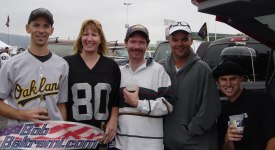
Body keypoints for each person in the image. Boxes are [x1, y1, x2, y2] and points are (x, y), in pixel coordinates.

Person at [0, 8, 69, 126]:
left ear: (51, 30)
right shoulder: (11, 64)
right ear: (28, 28)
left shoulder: (62, 65)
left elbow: (61, 104)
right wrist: (21, 114)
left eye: (46, 26)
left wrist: (61, 131)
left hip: (51, 137)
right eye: (36, 25)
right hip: (20, 137)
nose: (41, 30)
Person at [161, 21, 221, 150]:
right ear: (169, 41)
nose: (179, 44)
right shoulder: (160, 68)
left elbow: (211, 108)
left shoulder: (202, 69)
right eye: (175, 39)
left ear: (191, 40)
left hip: (197, 143)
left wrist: (190, 130)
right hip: (168, 143)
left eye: (184, 39)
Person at [115, 24, 174, 150]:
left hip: (151, 146)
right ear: (126, 43)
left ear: (147, 45)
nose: (137, 46)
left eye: (141, 42)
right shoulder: (117, 72)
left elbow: (167, 106)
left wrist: (138, 103)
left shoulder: (159, 70)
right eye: (133, 41)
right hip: (121, 145)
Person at [64, 19, 121, 149]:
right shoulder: (66, 64)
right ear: (80, 38)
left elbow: (115, 101)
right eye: (85, 34)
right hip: (74, 137)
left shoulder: (111, 66)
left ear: (101, 39)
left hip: (102, 136)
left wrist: (113, 120)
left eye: (94, 35)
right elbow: (61, 102)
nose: (89, 39)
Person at [212, 61, 275, 150]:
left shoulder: (261, 100)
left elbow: (273, 138)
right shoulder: (223, 111)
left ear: (241, 78)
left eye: (233, 79)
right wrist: (228, 140)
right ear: (218, 82)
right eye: (223, 79)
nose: (228, 84)